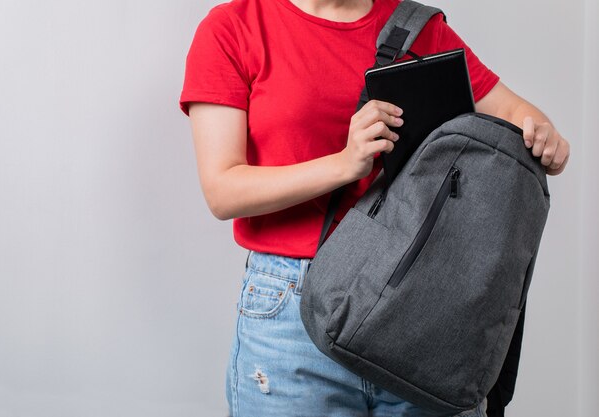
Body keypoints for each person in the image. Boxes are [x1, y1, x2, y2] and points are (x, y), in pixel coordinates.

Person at [180, 0, 570, 416]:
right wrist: (344, 164)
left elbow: (514, 113)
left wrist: (544, 137)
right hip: (290, 315)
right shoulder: (235, 27)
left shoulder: (416, 26)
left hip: (419, 303)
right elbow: (222, 190)